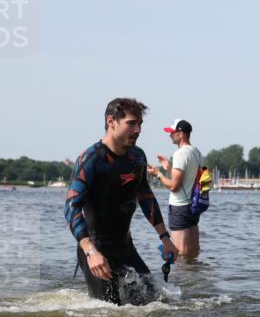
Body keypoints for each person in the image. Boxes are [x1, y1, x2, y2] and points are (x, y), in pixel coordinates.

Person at [65, 97, 178, 306]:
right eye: (131, 123)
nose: (138, 130)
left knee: (156, 303)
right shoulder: (91, 159)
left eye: (140, 124)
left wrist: (165, 238)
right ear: (111, 121)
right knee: (109, 312)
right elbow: (71, 208)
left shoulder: (137, 157)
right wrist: (90, 251)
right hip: (96, 250)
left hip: (126, 248)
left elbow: (146, 197)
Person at [151, 119, 204, 256]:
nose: (170, 135)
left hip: (180, 207)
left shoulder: (180, 154)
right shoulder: (196, 152)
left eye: (172, 132)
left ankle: (182, 271)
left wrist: (158, 174)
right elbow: (187, 178)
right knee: (193, 250)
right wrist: (169, 167)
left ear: (180, 134)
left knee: (179, 253)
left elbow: (174, 186)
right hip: (194, 205)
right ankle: (194, 269)